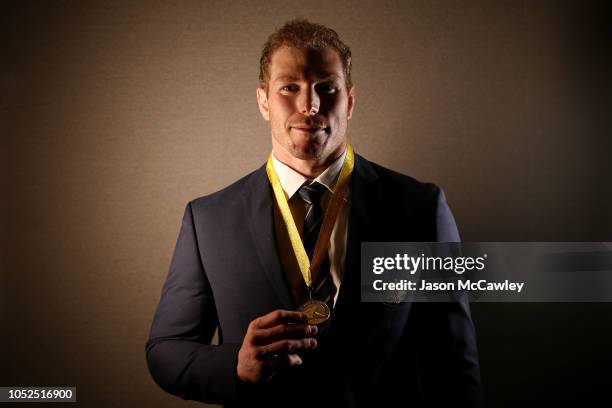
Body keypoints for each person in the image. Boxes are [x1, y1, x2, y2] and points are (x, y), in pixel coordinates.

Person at [146, 19, 483, 407]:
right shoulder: (207, 220)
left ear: (350, 101)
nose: (310, 104)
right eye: (290, 87)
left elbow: (453, 363)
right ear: (263, 101)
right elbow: (165, 350)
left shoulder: (419, 208)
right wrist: (234, 365)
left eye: (327, 88)